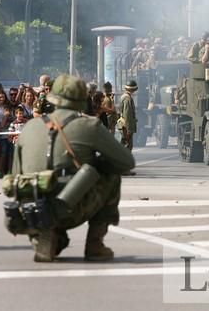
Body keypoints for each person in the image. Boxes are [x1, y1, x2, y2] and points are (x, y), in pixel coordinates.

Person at [11, 74, 135, 262]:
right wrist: (97, 163)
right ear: (83, 100)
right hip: (71, 206)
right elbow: (126, 162)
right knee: (111, 176)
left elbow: (15, 174)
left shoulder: (28, 127)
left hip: (31, 210)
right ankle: (95, 244)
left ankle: (43, 237)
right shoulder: (89, 125)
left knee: (29, 187)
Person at [119, 81, 138, 153]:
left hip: (124, 125)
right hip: (126, 126)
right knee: (128, 146)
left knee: (124, 145)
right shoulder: (127, 99)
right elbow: (127, 115)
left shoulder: (124, 97)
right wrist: (129, 130)